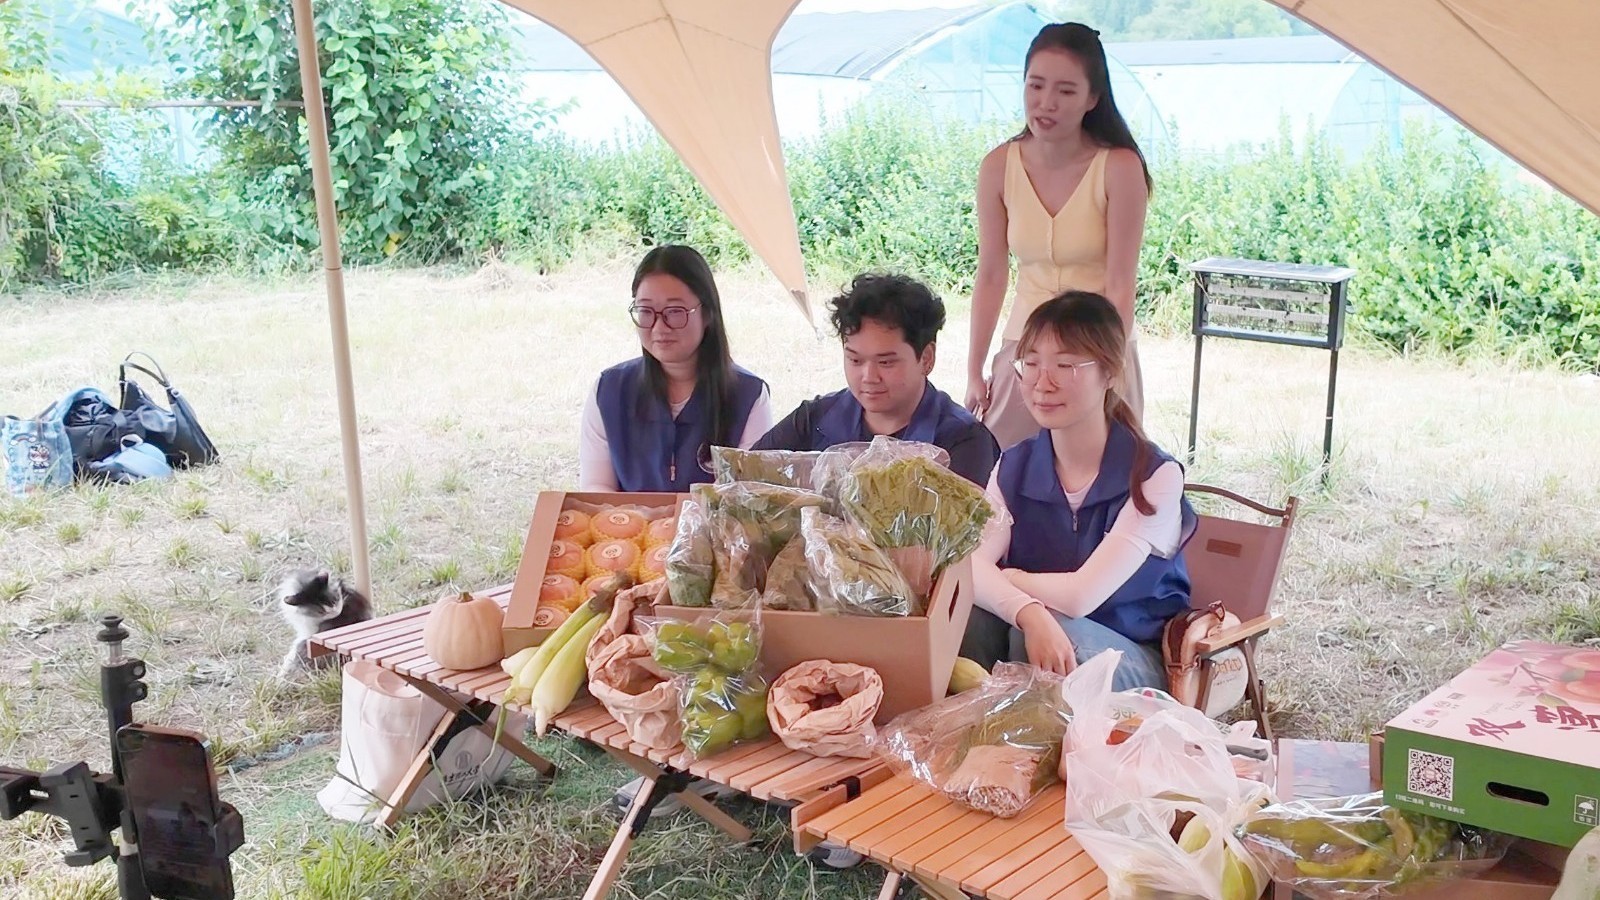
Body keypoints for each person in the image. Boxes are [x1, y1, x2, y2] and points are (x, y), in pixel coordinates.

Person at [962, 291, 1196, 693]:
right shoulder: (1014, 466)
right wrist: (1029, 611)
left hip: (1133, 659)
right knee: (967, 615)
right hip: (1046, 630)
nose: (1042, 383)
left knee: (1046, 626)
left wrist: (1010, 579)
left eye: (1065, 365)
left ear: (1110, 373)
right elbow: (968, 567)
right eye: (1031, 363)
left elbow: (1080, 596)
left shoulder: (1154, 476)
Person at [965, 22, 1153, 450]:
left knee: (1107, 475)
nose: (1046, 103)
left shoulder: (1120, 168)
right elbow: (992, 274)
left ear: (1092, 98)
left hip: (1098, 346)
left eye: (1066, 91)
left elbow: (1121, 282)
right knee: (999, 470)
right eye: (1036, 86)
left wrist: (1110, 367)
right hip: (1024, 347)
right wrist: (976, 369)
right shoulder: (998, 165)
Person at [754, 273, 999, 487]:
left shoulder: (962, 441)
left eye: (886, 362)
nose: (869, 377)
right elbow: (744, 478)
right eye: (855, 361)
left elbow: (964, 535)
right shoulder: (814, 420)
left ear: (926, 358)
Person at [580, 245, 773, 492]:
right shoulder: (609, 391)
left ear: (708, 314)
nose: (659, 327)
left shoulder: (748, 396)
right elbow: (597, 489)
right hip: (628, 529)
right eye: (646, 311)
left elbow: (747, 499)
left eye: (675, 312)